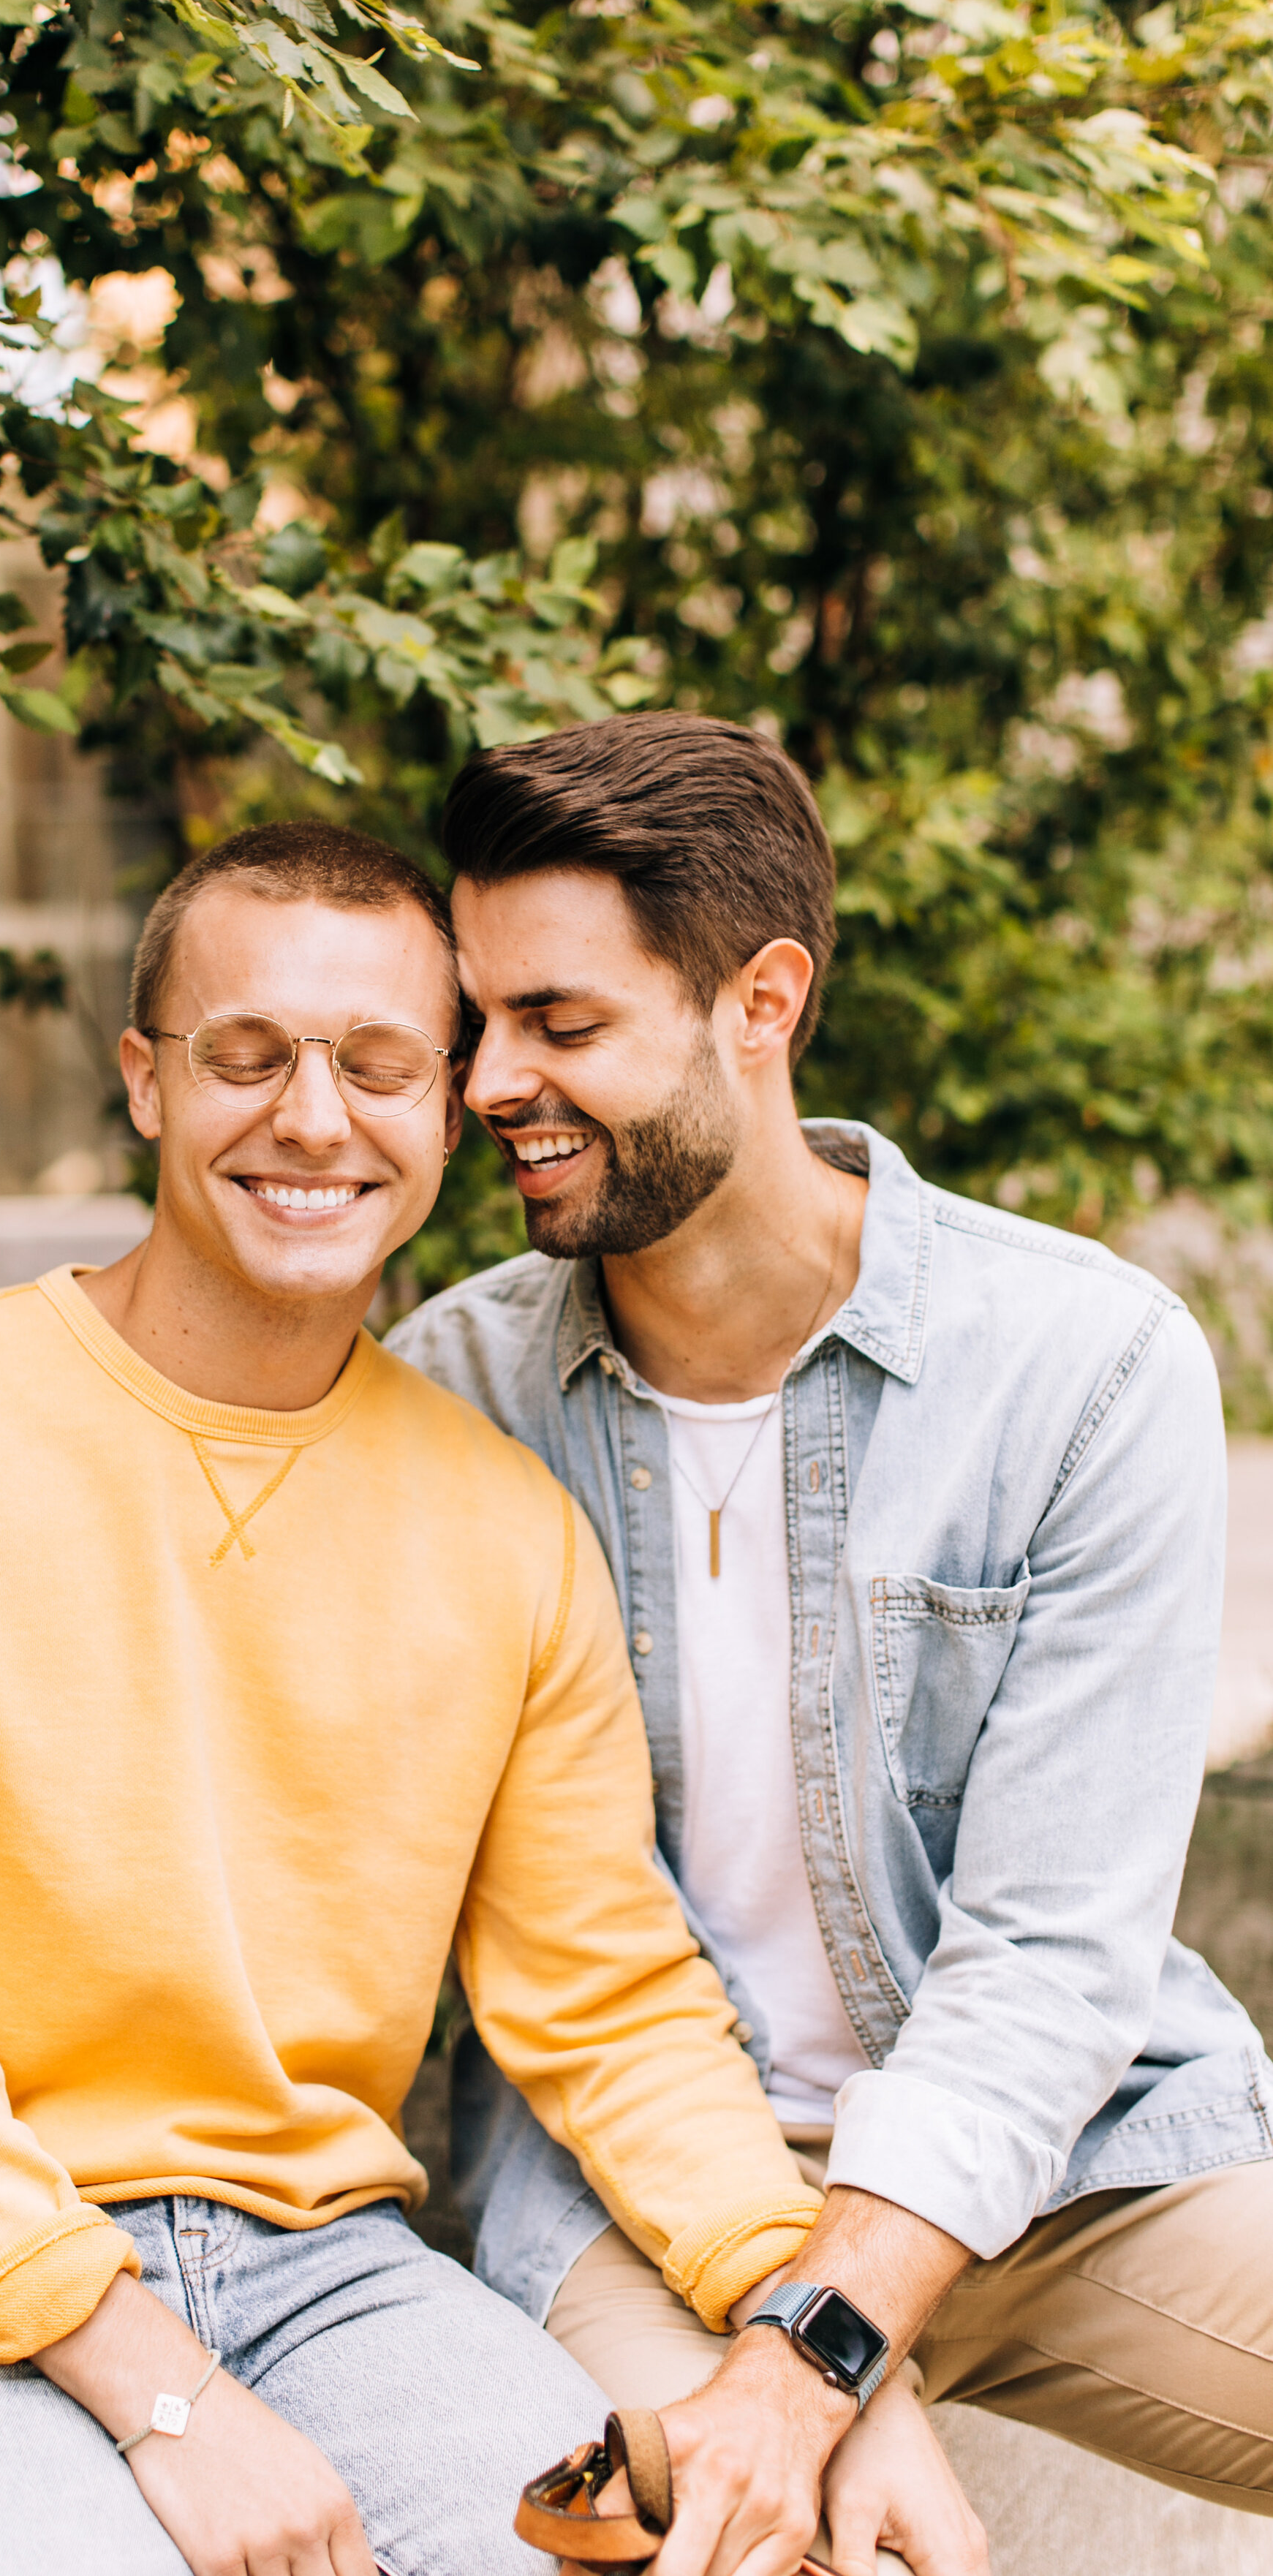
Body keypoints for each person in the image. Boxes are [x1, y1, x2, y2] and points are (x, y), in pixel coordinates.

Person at [0, 819, 876, 2576]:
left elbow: (609, 2004)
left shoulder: (505, 1526)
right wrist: (166, 2399)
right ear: (145, 1082)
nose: (313, 1121)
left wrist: (815, 2346)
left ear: (444, 1098)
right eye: (247, 1057)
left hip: (332, 2273)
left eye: (378, 1065)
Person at [387, 713, 1273, 2570]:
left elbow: (1046, 1963)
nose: (483, 1081)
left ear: (758, 1003)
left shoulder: (1084, 1370)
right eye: (475, 1023)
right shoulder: (438, 1395)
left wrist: (820, 2350)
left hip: (1060, 2178)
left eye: (557, 1022)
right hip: (630, 2197)